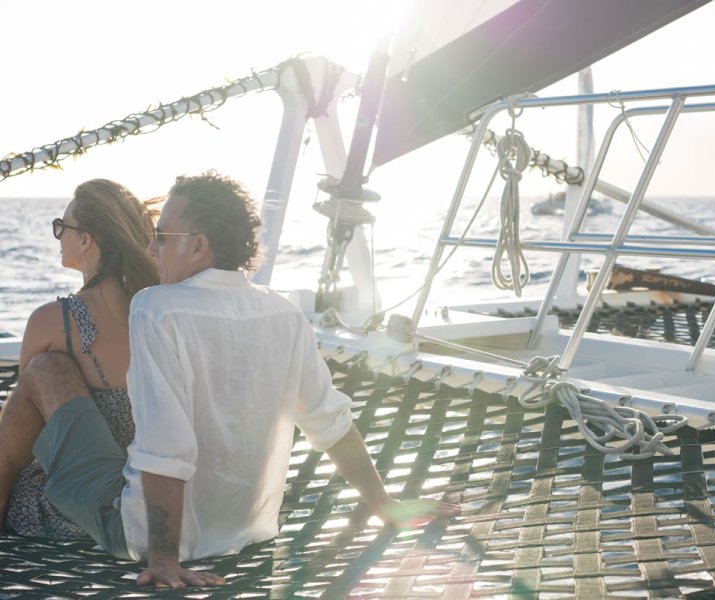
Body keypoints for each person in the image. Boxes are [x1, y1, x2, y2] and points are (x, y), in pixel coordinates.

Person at [12, 171, 460, 589]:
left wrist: (163, 556)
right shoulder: (283, 312)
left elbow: (166, 444)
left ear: (197, 247)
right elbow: (330, 421)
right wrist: (384, 505)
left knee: (45, 371)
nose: (150, 250)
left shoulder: (157, 308)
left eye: (162, 238)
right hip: (249, 530)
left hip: (143, 533)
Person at [0, 179, 159, 537]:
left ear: (85, 239)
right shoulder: (158, 315)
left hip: (64, 510)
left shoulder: (55, 323)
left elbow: (25, 432)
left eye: (62, 227)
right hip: (149, 499)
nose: (58, 236)